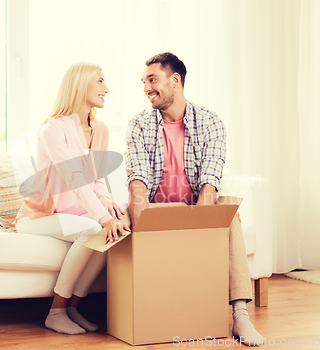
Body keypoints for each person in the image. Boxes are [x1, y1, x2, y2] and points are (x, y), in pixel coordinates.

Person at [125, 52, 265, 346]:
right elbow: (137, 178)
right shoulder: (139, 124)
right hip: (155, 209)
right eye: (143, 82)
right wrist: (141, 216)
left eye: (152, 80)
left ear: (175, 80)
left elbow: (210, 181)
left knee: (230, 212)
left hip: (193, 208)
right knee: (123, 215)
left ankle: (240, 315)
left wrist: (201, 224)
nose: (146, 88)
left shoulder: (210, 121)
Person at [15, 62, 130, 335]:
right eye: (100, 81)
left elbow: (96, 179)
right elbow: (75, 179)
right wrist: (103, 218)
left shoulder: (99, 130)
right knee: (95, 228)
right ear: (81, 85)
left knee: (113, 233)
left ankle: (73, 308)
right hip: (38, 216)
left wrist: (108, 206)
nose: (107, 88)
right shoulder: (52, 130)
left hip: (75, 213)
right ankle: (55, 311)